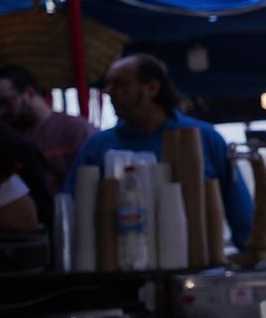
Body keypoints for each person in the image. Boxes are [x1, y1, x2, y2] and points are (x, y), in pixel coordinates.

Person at [67, 54, 254, 249]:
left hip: (197, 258)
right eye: (109, 85)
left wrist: (250, 252)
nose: (111, 92)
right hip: (122, 260)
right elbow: (72, 204)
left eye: (122, 84)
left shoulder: (203, 138)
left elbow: (238, 205)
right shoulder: (99, 146)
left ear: (152, 88)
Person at [0, 63, 96, 195]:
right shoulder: (8, 137)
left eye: (5, 103)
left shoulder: (76, 129)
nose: (0, 112)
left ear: (29, 93)